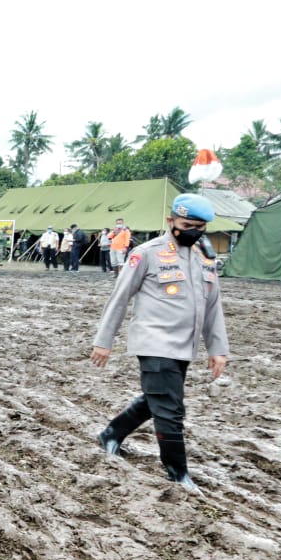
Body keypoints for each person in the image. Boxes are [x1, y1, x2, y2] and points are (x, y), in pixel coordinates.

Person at [90, 194, 229, 491]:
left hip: (184, 345)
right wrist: (104, 340)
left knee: (157, 398)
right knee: (170, 408)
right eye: (187, 225)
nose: (194, 231)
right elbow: (120, 297)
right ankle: (177, 473)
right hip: (154, 341)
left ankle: (111, 434)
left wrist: (217, 348)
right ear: (171, 222)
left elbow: (213, 305)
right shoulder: (147, 253)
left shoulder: (205, 257)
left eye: (200, 227)